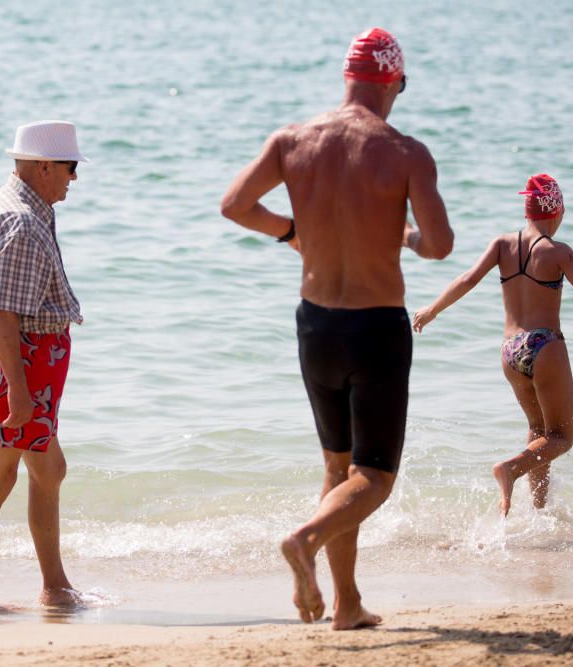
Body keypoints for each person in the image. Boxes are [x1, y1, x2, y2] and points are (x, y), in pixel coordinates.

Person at [221, 28, 454, 630]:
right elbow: (440, 246)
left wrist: (292, 234)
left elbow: (235, 205)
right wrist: (403, 236)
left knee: (337, 468)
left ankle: (347, 605)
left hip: (315, 326)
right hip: (376, 328)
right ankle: (306, 538)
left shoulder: (293, 140)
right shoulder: (405, 153)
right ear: (394, 83)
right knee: (373, 477)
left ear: (346, 80)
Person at [412, 173, 573, 516]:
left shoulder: (501, 244)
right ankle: (509, 468)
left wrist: (432, 309)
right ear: (557, 212)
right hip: (545, 346)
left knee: (539, 430)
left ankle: (538, 511)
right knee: (562, 438)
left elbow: (467, 279)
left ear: (527, 212)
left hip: (510, 350)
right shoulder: (557, 252)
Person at [0, 120, 89, 609]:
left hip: (24, 358)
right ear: (45, 166)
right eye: (70, 168)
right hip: (20, 359)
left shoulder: (17, 205)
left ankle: (56, 588)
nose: (74, 178)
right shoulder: (23, 221)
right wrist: (18, 389)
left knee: (49, 470)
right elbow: (1, 312)